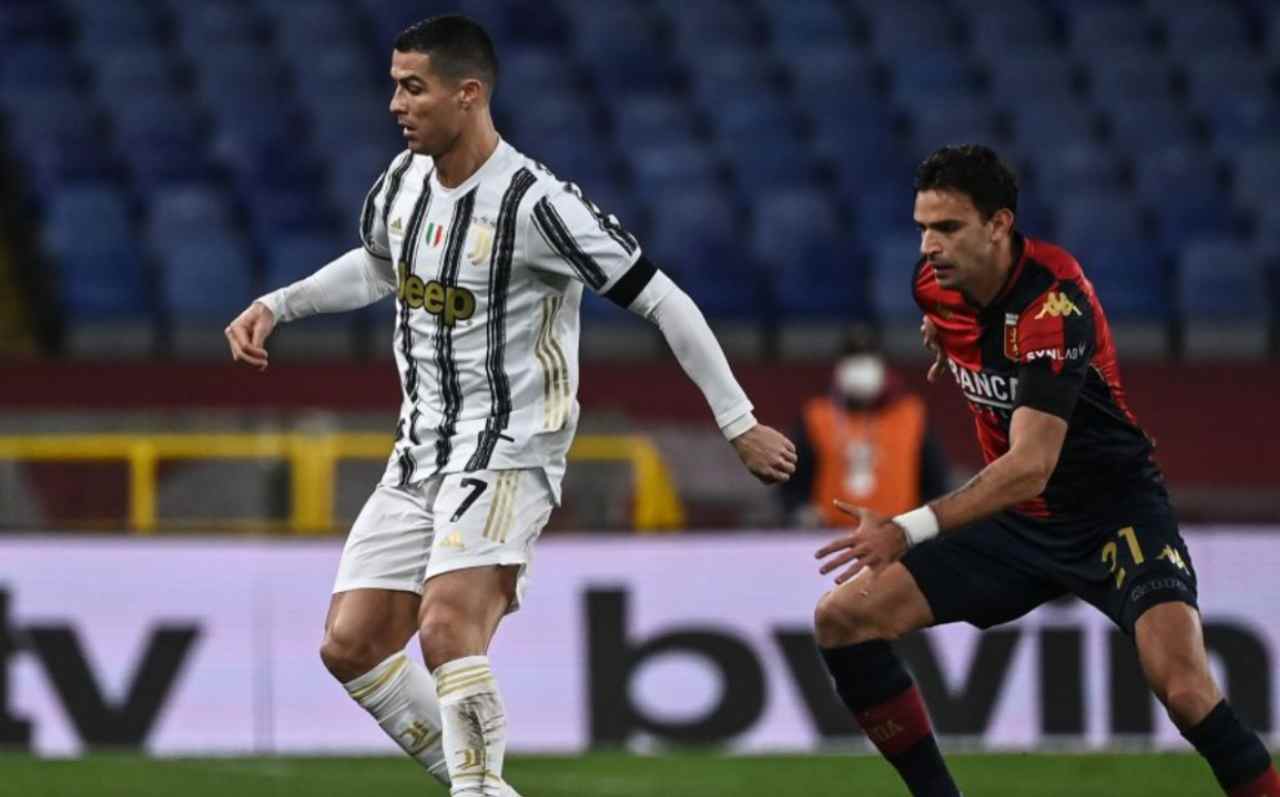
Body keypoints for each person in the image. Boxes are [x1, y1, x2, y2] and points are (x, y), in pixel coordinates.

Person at [224, 16, 796, 797]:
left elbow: (664, 299)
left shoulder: (537, 203)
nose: (396, 102)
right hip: (420, 449)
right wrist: (278, 305)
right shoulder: (401, 181)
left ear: (470, 94)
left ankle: (476, 791)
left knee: (446, 626)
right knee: (351, 645)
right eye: (394, 84)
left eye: (413, 86)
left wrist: (738, 420)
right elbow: (378, 264)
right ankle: (488, 787)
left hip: (510, 448)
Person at [812, 145, 1279, 797]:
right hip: (1020, 523)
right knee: (842, 618)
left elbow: (1032, 465)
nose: (929, 246)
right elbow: (961, 331)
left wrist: (907, 527)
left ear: (999, 224)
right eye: (922, 226)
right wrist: (946, 346)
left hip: (1112, 512)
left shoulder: (1054, 304)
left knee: (1182, 686)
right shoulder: (932, 287)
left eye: (947, 228)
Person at [780, 324, 948, 528]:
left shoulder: (912, 414)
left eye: (867, 360)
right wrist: (800, 512)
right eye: (852, 360)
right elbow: (791, 484)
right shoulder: (816, 416)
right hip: (827, 537)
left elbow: (936, 482)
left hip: (896, 538)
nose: (860, 370)